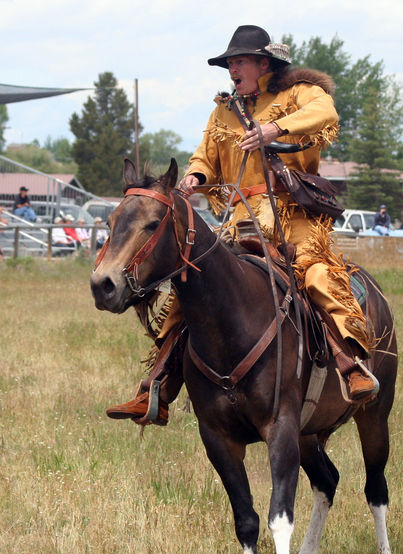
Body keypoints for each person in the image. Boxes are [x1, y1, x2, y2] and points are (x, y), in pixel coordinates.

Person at [107, 25, 377, 422]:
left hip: (294, 219)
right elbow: (204, 155)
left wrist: (274, 129)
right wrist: (194, 178)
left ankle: (350, 365)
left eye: (239, 61)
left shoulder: (296, 93)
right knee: (190, 291)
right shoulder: (224, 109)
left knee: (317, 277)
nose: (232, 68)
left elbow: (326, 112)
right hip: (238, 223)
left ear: (263, 63)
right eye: (229, 62)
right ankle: (156, 390)